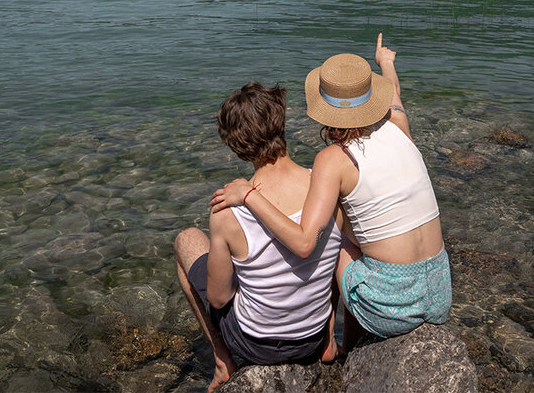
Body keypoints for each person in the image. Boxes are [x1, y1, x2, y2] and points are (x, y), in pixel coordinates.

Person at [211, 34, 450, 347]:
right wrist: (386, 64)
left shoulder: (332, 159)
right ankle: (340, 343)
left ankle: (339, 345)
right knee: (353, 226)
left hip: (395, 309)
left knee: (335, 241)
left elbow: (304, 243)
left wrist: (248, 195)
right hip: (439, 291)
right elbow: (394, 94)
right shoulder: (399, 127)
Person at [174, 81, 343, 391]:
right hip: (312, 336)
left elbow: (219, 298)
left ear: (235, 146)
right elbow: (333, 264)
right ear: (281, 122)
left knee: (186, 239)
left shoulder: (227, 212)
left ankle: (223, 360)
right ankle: (330, 341)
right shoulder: (327, 186)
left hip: (258, 346)